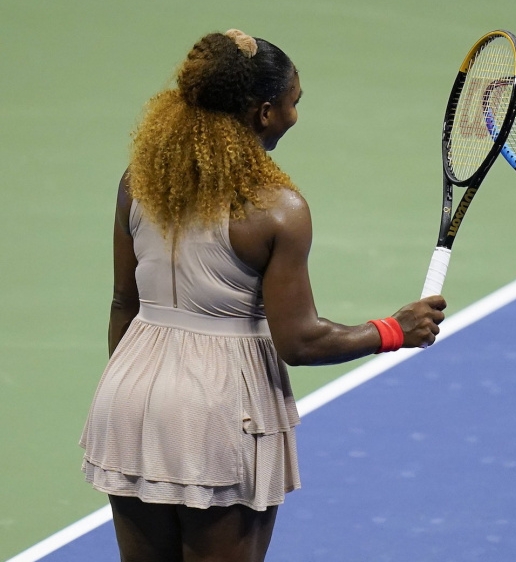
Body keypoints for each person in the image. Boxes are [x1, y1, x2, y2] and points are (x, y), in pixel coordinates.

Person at [80, 29, 447, 562]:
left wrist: (143, 397)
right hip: (218, 409)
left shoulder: (138, 181)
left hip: (129, 394)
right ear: (265, 112)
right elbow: (300, 340)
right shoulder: (278, 210)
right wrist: (393, 329)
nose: (296, 115)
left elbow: (123, 302)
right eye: (294, 103)